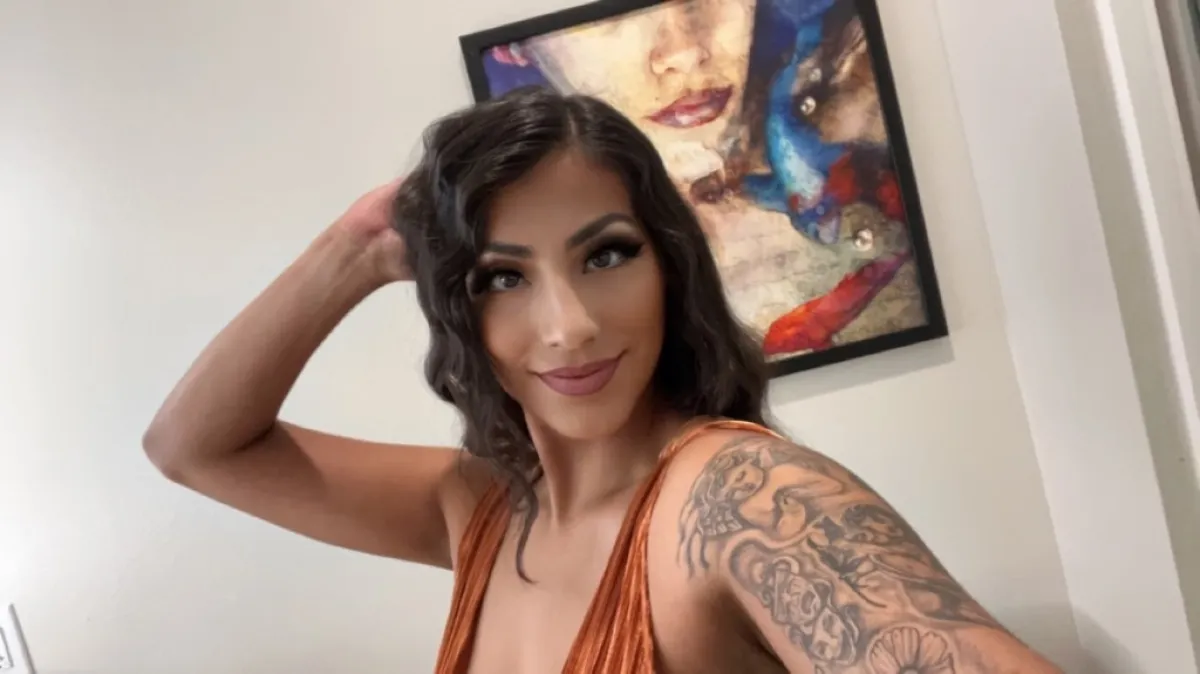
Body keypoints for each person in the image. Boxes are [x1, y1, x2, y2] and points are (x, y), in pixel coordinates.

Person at [143, 87, 1060, 673]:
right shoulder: (482, 508)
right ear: (459, 311)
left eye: (607, 255)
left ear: (668, 266)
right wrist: (354, 249)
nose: (570, 325)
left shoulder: (740, 500)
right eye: (502, 277)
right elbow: (192, 448)